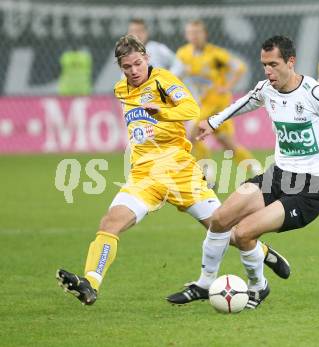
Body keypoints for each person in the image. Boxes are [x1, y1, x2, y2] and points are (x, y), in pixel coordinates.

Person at [56, 35, 290, 305]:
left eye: (137, 63)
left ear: (147, 58)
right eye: (126, 67)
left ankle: (264, 252)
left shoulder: (164, 81)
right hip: (144, 175)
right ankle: (90, 284)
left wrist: (162, 112)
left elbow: (191, 108)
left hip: (180, 171)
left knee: (230, 233)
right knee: (110, 223)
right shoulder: (121, 90)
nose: (133, 71)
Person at [167, 35, 319, 309]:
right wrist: (213, 121)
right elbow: (245, 102)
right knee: (220, 220)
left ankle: (258, 287)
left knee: (244, 233)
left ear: (290, 62)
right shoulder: (266, 89)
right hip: (278, 175)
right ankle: (205, 283)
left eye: (273, 64)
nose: (268, 71)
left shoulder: (316, 94)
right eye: (264, 65)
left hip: (312, 188)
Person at [177, 19, 261, 186]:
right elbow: (176, 75)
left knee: (193, 132)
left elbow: (240, 67)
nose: (194, 36)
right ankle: (256, 170)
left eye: (197, 32)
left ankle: (207, 174)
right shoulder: (183, 54)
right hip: (201, 103)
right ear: (187, 35)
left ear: (205, 34)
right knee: (227, 144)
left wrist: (227, 86)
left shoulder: (215, 55)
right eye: (191, 33)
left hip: (217, 104)